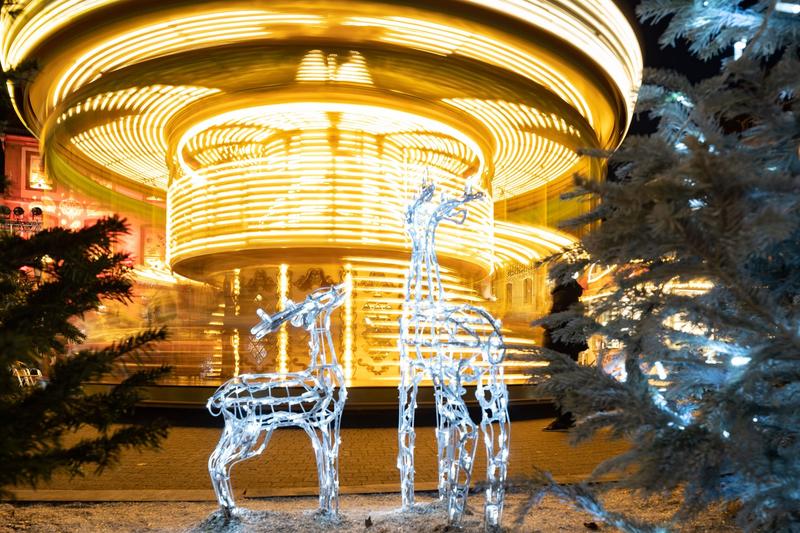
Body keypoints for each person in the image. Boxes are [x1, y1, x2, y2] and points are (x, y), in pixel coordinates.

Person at [542, 278, 588, 431]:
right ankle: (567, 417)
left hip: (561, 346)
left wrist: (545, 322)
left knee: (560, 383)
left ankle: (565, 418)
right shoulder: (571, 294)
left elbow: (558, 319)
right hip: (568, 346)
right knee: (564, 382)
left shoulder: (563, 293)